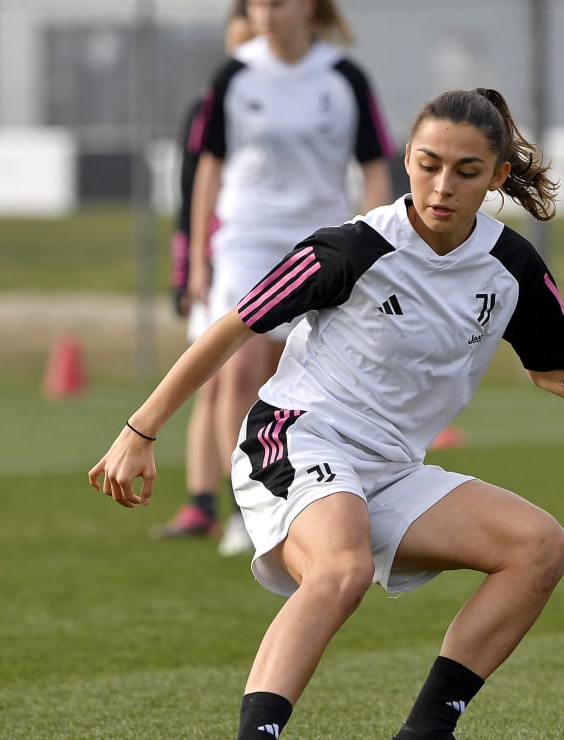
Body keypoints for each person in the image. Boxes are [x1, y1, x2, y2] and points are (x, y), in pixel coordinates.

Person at [89, 88, 564, 740]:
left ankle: (425, 733)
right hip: (295, 438)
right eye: (427, 164)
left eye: (466, 170)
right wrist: (140, 430)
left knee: (538, 548)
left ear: (498, 177)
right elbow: (232, 328)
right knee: (342, 570)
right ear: (407, 158)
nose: (442, 185)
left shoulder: (511, 266)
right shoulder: (351, 249)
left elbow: (557, 369)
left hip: (391, 468)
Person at [153, 0, 396, 555]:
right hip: (245, 242)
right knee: (237, 376)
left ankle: (326, 499)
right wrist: (196, 255)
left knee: (305, 381)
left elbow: (375, 165)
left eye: (276, 2)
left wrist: (373, 244)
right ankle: (249, 511)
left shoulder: (344, 77)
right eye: (255, 3)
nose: (263, 12)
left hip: (323, 244)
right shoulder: (235, 74)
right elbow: (207, 166)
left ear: (307, 6)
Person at [152, 0, 256, 544]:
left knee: (248, 383)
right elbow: (190, 191)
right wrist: (187, 265)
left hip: (268, 258)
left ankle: (241, 504)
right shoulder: (212, 107)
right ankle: (209, 503)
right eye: (239, 40)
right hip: (224, 264)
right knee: (217, 383)